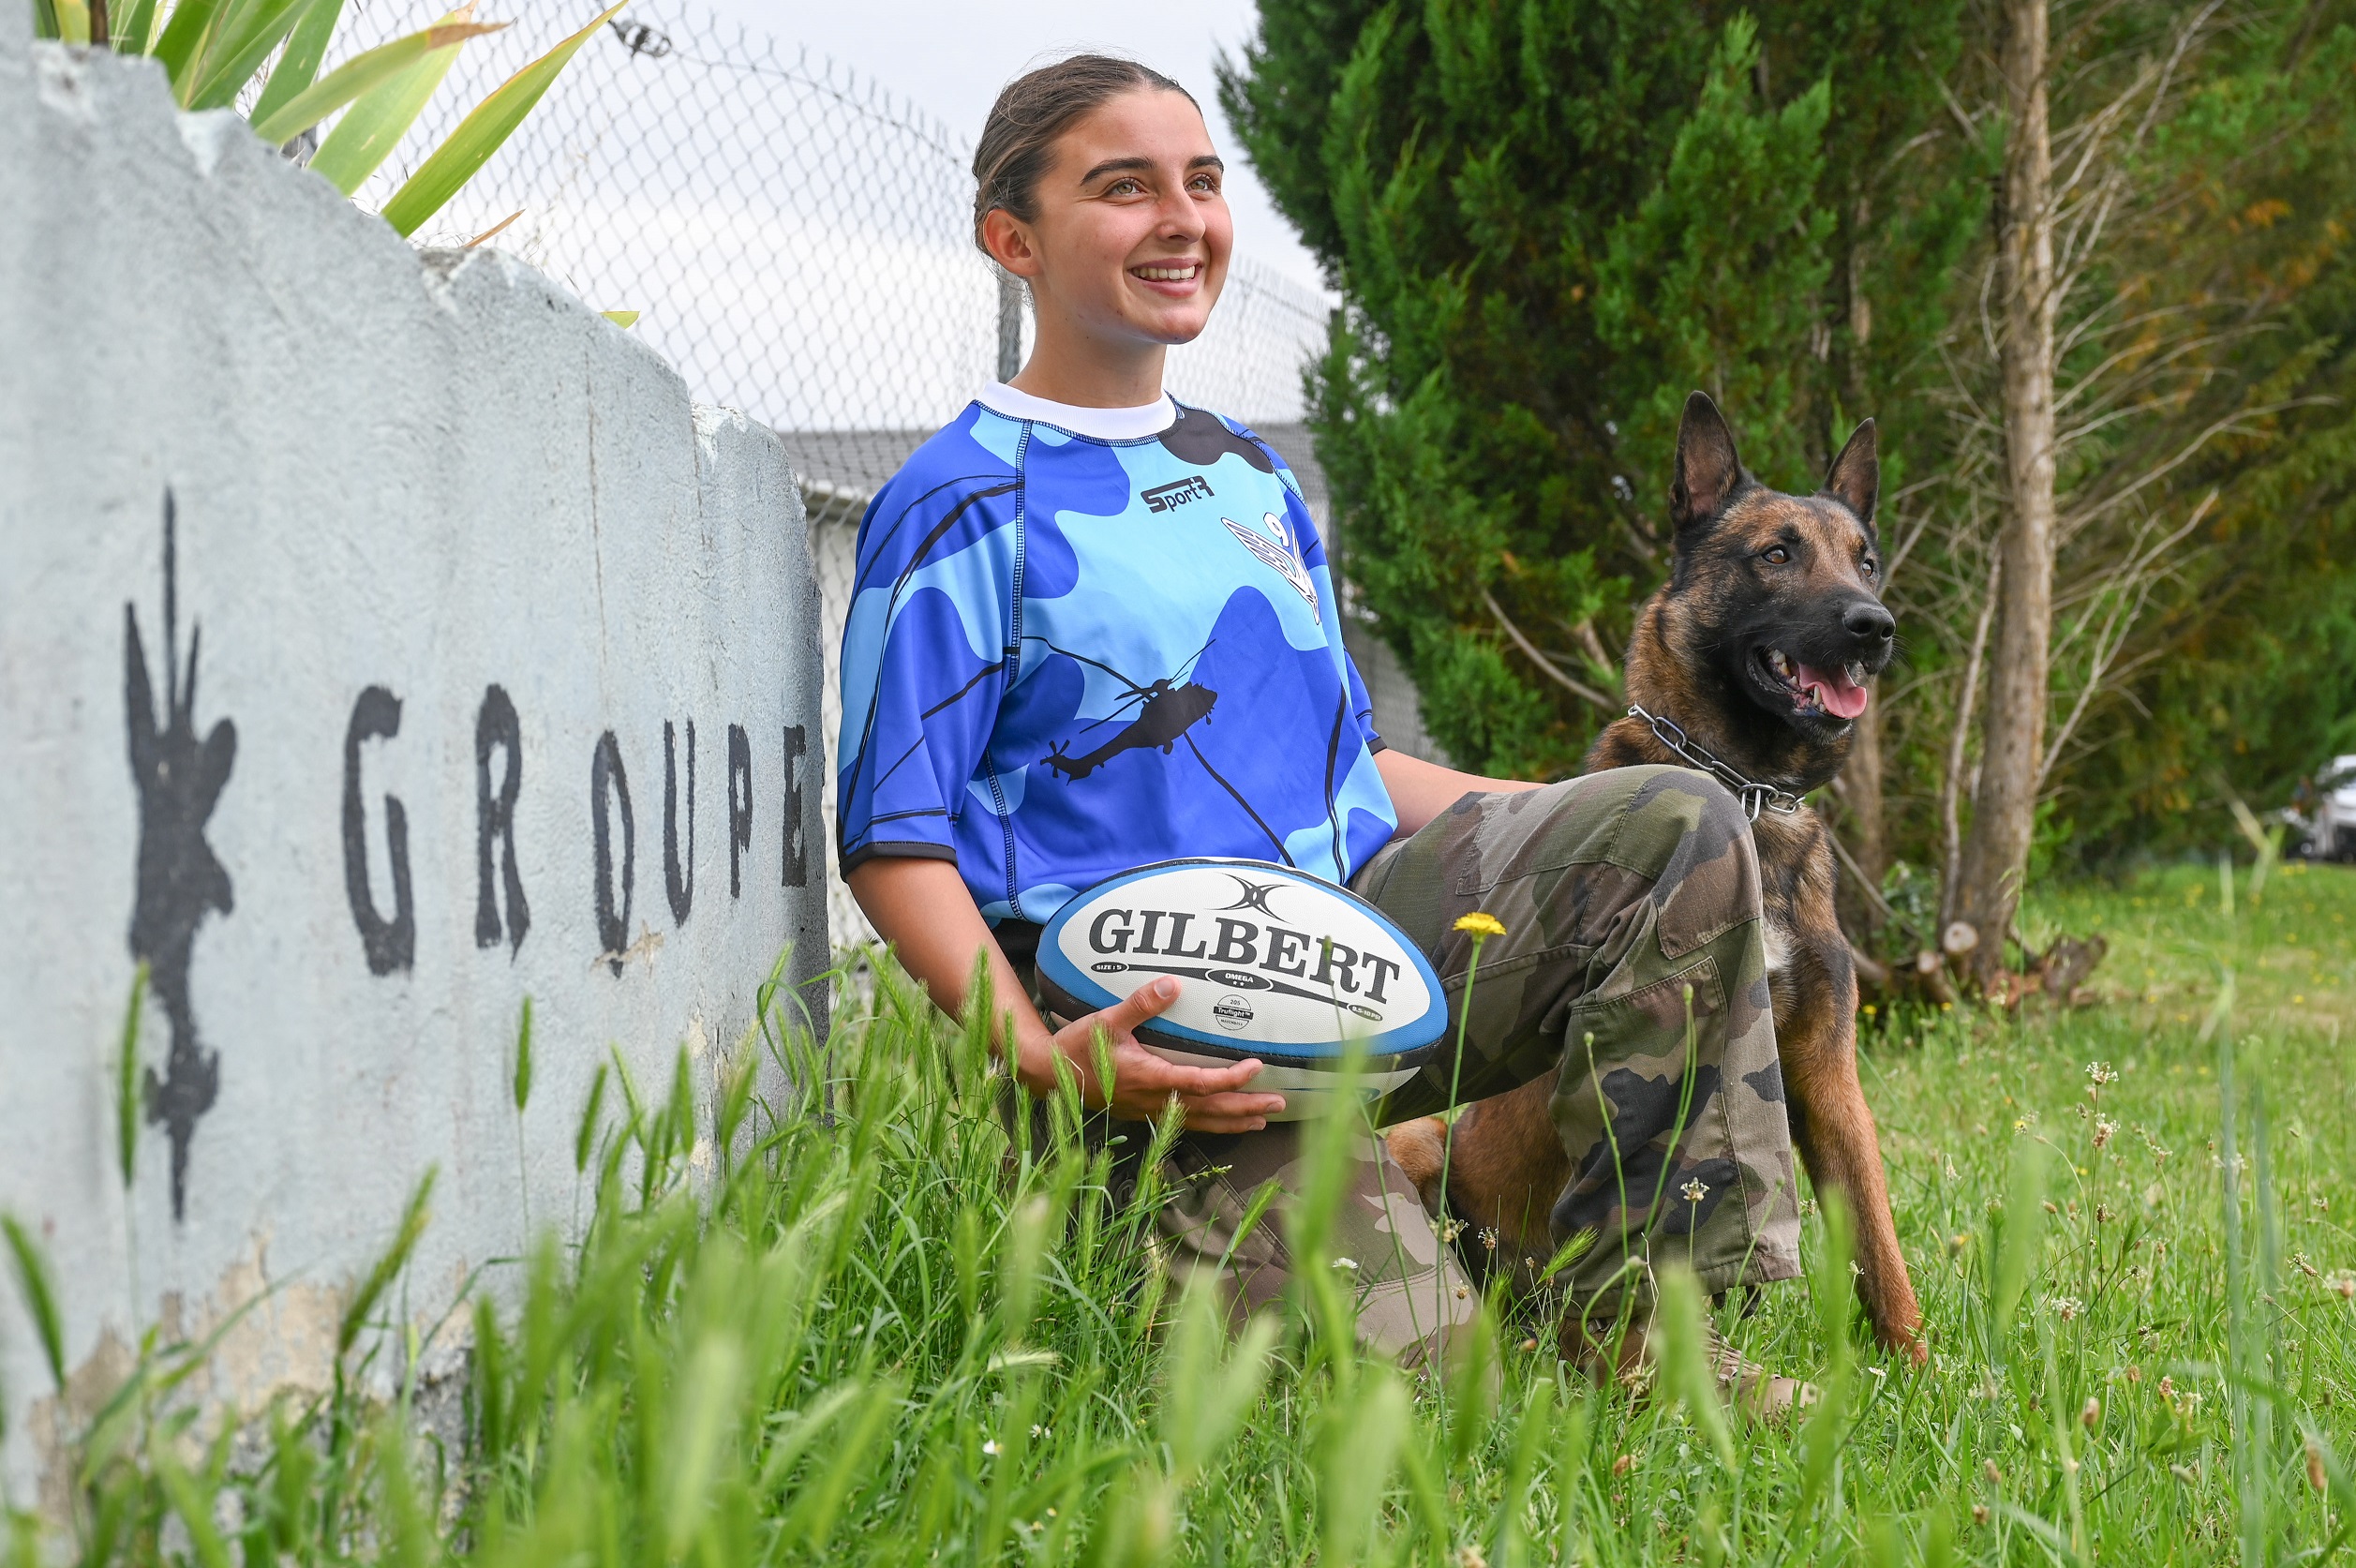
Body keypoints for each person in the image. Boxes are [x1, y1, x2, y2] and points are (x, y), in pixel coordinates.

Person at [837, 53, 1805, 1402]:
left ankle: (1633, 1327)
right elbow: (895, 838)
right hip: (1162, 1033)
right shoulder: (958, 502)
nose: (1180, 219)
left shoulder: (1245, 473)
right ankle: (1275, 1231)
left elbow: (1343, 762)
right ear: (1013, 237)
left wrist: (1593, 837)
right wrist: (1040, 1057)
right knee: (1442, 1401)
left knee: (1677, 823)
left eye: (1202, 183)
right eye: (1123, 188)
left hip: (1351, 938)